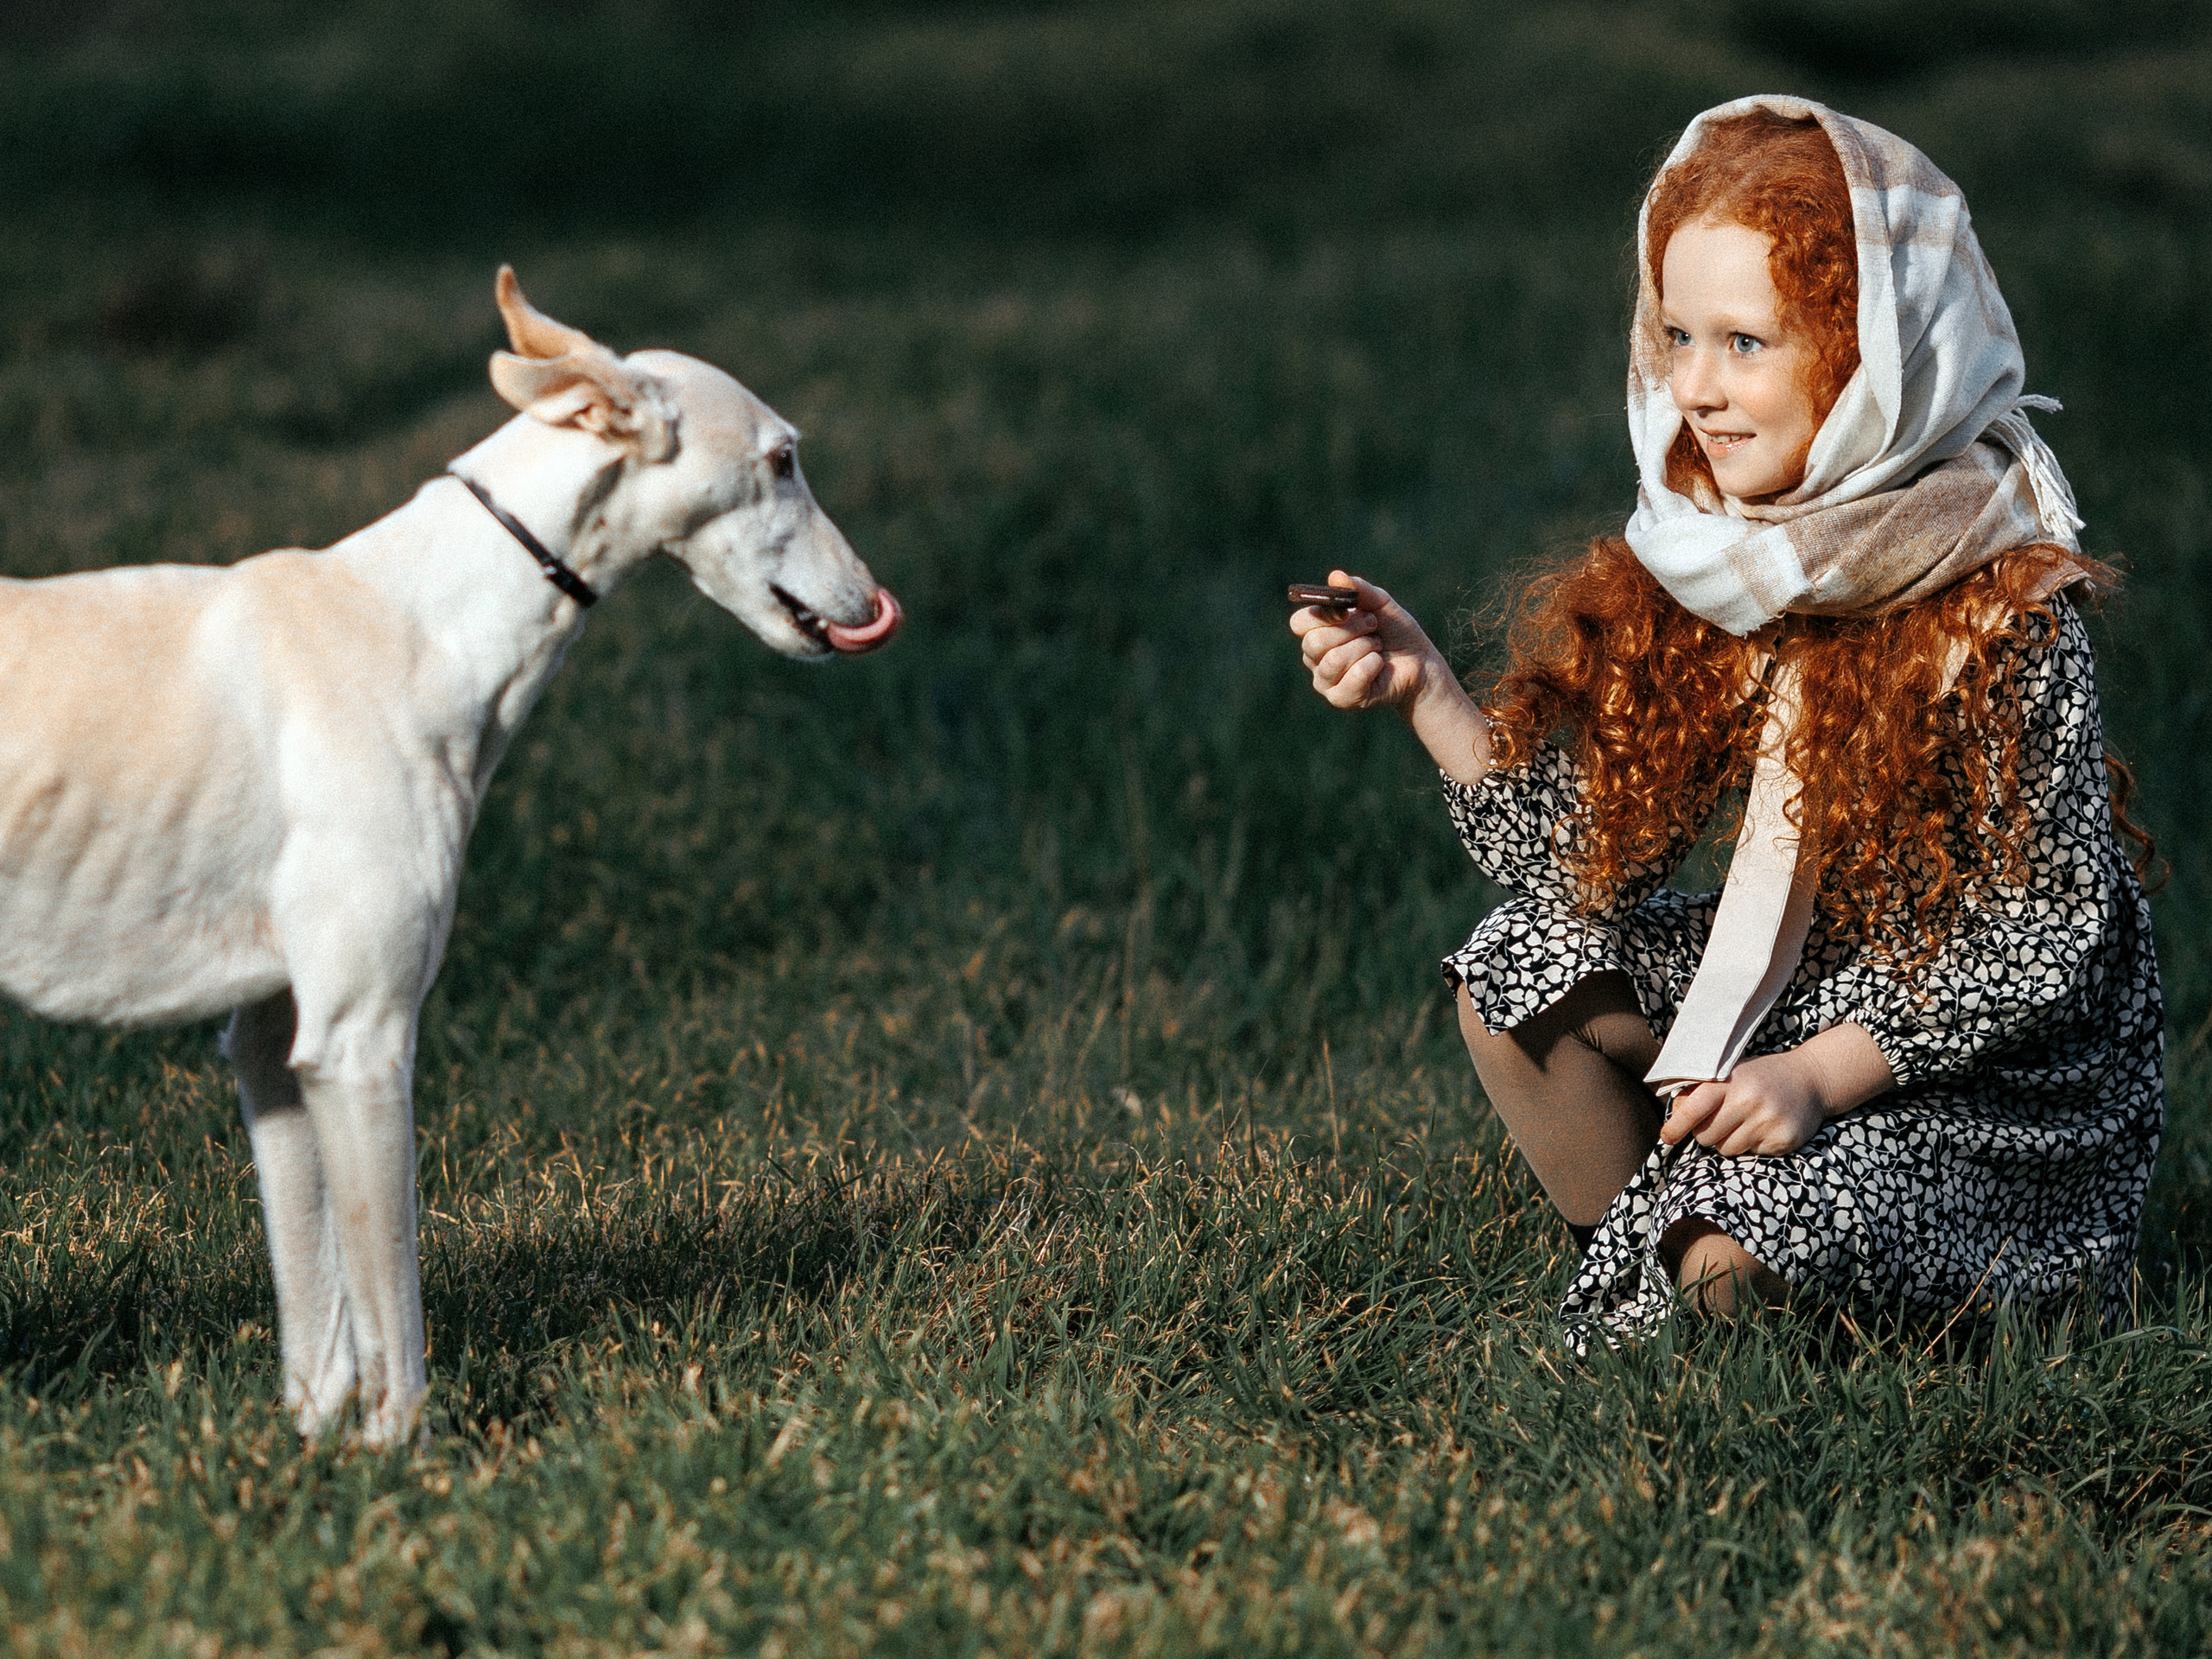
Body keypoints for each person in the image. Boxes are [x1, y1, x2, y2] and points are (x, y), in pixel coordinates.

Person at [1291, 95, 2163, 1338]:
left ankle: (1730, 1279)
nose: (1695, 387)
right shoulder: (1719, 554)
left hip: (1989, 1083)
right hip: (1808, 985)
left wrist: (1815, 1078)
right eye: (1678, 334)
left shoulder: (1999, 606)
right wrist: (1427, 686)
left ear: (1869, 355)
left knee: (1728, 1263)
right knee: (1515, 971)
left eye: (1746, 343)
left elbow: (2046, 933)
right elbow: (1584, 863)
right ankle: (1661, 1259)